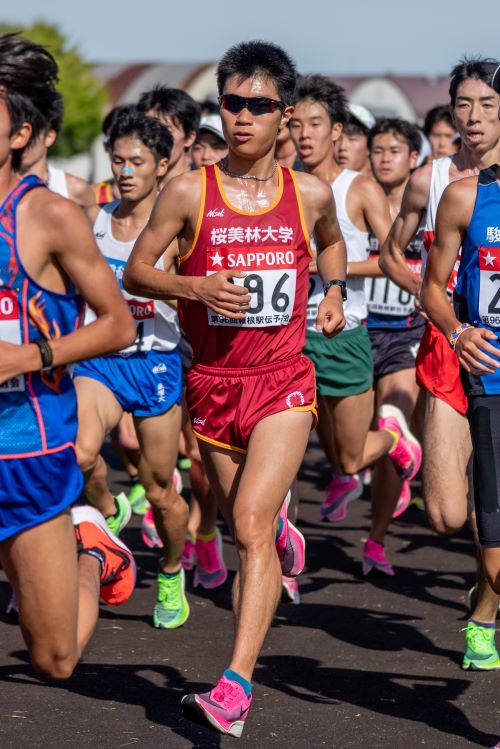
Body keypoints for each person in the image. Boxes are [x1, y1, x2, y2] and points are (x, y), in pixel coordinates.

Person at [125, 39, 346, 737]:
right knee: (237, 520)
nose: (244, 116)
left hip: (284, 379)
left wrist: (334, 289)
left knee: (249, 524)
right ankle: (272, 527)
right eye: (233, 103)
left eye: (260, 105)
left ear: (285, 114)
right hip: (214, 384)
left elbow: (332, 240)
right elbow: (137, 270)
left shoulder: (307, 192)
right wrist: (190, 284)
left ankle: (236, 683)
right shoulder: (191, 189)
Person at [0, 33, 136, 679]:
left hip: (26, 449)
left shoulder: (50, 216)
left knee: (55, 658)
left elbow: (119, 325)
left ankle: (91, 546)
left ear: (19, 133)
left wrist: (30, 355)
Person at [380, 56, 500, 669]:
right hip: (450, 352)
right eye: (464, 105)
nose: (473, 117)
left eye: (486, 104)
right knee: (449, 515)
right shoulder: (433, 182)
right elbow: (392, 252)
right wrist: (444, 313)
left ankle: (484, 612)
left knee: (492, 519)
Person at [290, 74, 421, 545]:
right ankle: (278, 554)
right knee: (282, 458)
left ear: (337, 131)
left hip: (344, 335)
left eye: (316, 123)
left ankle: (394, 439)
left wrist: (331, 267)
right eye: (297, 123)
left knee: (347, 459)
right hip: (286, 337)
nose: (304, 133)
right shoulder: (281, 186)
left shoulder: (358, 189)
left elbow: (394, 260)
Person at [73, 111, 189, 630]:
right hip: (100, 362)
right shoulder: (91, 221)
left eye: (136, 162)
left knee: (162, 487)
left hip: (156, 363)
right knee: (79, 454)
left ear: (161, 166)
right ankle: (109, 511)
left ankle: (169, 569)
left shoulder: (178, 231)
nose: (124, 170)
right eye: (117, 160)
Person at [422, 157, 500, 662]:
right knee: (493, 562)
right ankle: (485, 603)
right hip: (491, 379)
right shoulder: (465, 196)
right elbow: (432, 288)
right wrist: (458, 331)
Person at [364, 118, 425, 574]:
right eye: (378, 150)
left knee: (394, 421)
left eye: (394, 150)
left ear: (413, 158)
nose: (385, 158)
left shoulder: (427, 202)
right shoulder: (358, 199)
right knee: (355, 443)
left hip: (406, 333)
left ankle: (376, 539)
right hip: (357, 331)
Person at [19, 91, 95, 207]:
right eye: (18, 133)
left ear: (49, 137)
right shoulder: (4, 186)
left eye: (31, 134)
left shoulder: (75, 190)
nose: (22, 141)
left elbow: (97, 225)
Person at [137, 86, 201, 186]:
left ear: (189, 138)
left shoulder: (205, 191)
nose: (155, 138)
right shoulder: (130, 192)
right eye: (149, 128)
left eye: (166, 129)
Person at [333, 102, 375, 177]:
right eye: (338, 139)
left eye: (352, 139)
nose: (342, 147)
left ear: (370, 146)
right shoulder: (322, 185)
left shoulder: (382, 187)